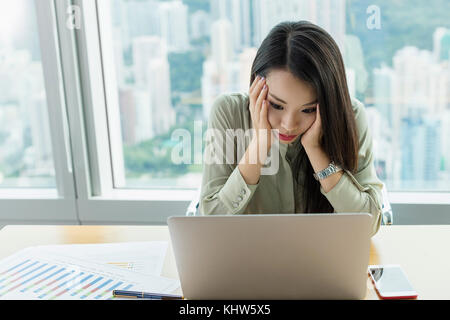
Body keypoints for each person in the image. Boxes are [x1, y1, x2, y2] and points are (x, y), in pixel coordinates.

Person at [198, 21, 383, 236]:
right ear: (256, 87)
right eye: (276, 105)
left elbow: (368, 224)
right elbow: (210, 223)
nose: (288, 124)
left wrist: (315, 150)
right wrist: (259, 145)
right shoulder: (229, 112)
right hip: (248, 264)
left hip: (321, 265)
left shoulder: (350, 116)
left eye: (308, 110)